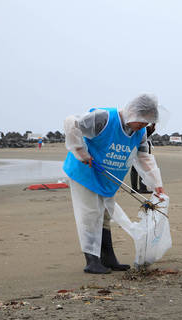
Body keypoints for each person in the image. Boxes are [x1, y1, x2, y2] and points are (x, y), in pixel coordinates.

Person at [63, 94, 165, 274]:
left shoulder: (140, 133)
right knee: (90, 214)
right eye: (141, 120)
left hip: (106, 177)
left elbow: (143, 158)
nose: (143, 125)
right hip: (84, 172)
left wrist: (155, 183)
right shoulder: (105, 118)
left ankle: (109, 258)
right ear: (132, 112)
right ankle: (91, 260)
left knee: (105, 216)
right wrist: (80, 151)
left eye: (147, 122)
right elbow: (72, 123)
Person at [130, 124, 156, 193]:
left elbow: (150, 131)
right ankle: (142, 188)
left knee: (134, 169)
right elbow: (149, 131)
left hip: (134, 147)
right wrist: (153, 124)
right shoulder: (142, 128)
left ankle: (134, 188)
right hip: (140, 148)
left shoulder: (136, 127)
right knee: (143, 169)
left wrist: (153, 125)